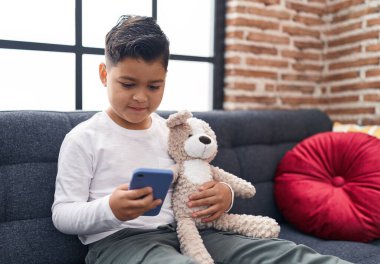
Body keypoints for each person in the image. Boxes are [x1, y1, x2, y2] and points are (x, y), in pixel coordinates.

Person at [52, 15, 352, 264]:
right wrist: (111, 209)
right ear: (105, 74)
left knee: (288, 256)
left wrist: (225, 195)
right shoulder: (84, 138)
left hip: (191, 230)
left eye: (154, 86)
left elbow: (200, 178)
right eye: (128, 84)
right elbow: (63, 215)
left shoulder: (173, 131)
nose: (141, 96)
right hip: (120, 244)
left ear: (165, 79)